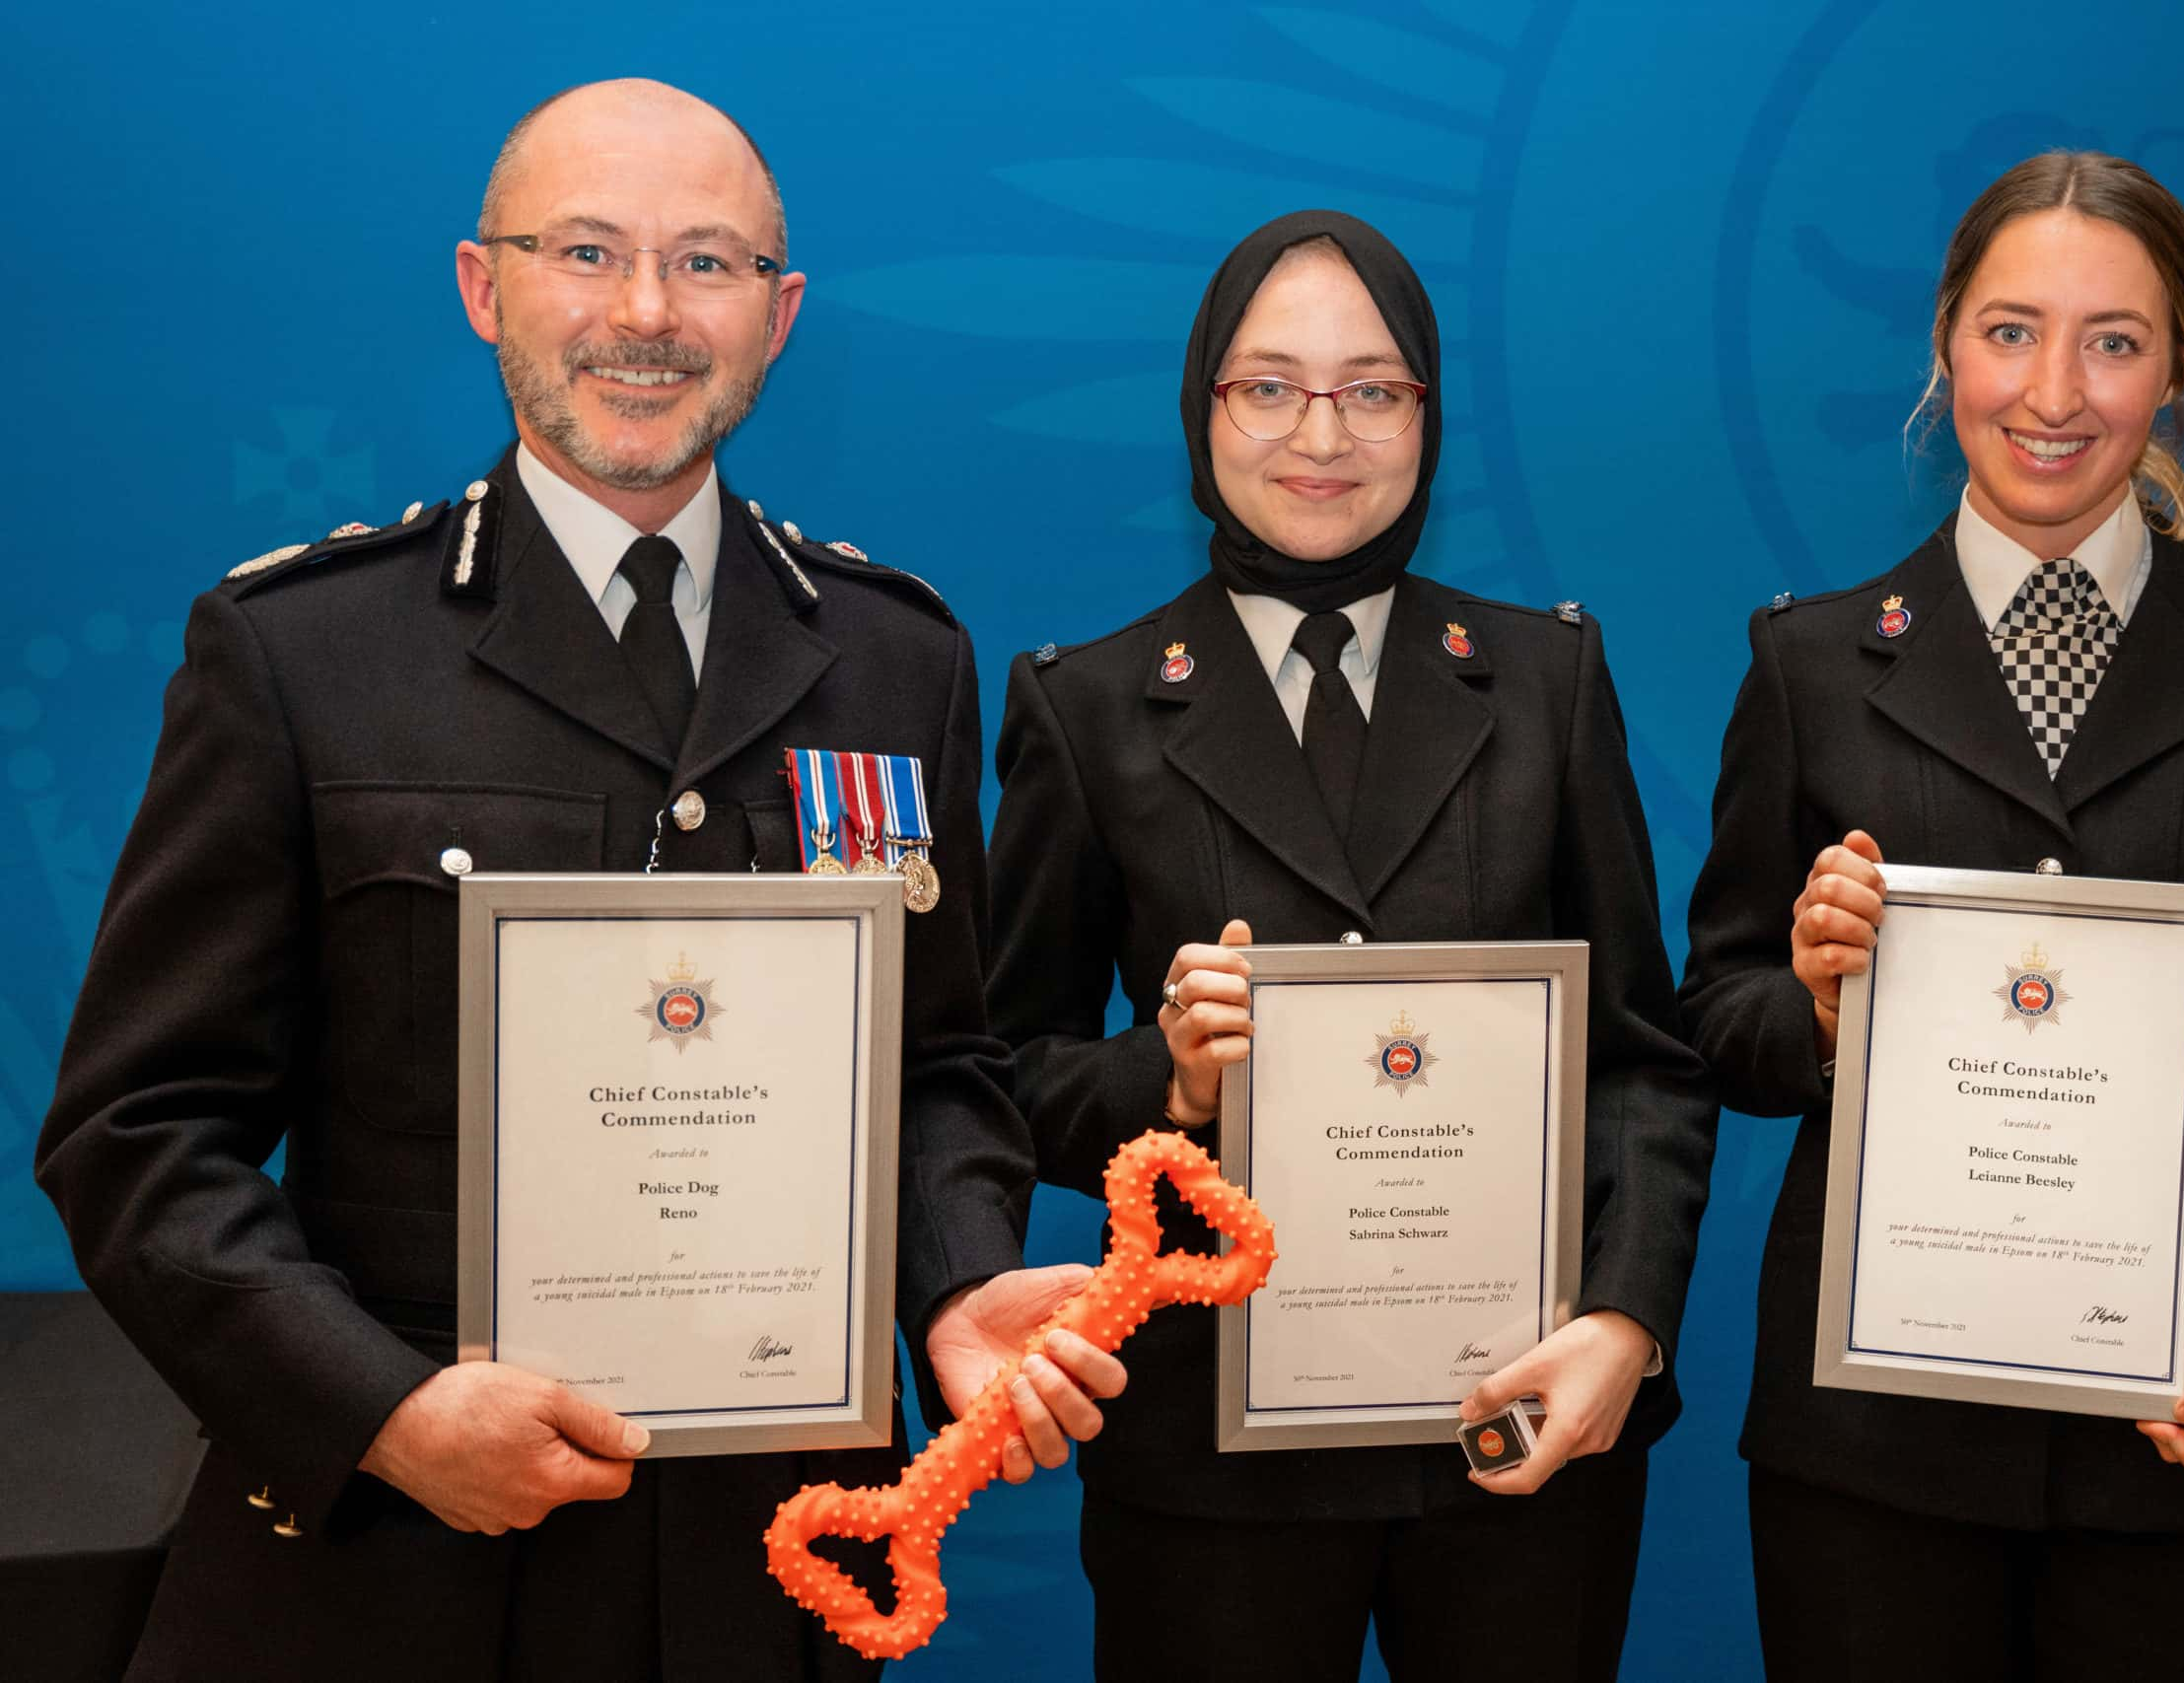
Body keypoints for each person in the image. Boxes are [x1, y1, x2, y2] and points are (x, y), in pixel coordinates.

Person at [35, 79, 1120, 1682]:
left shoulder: (900, 661)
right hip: (398, 1571)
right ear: (485, 286)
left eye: (706, 264)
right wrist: (382, 1411)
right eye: (588, 251)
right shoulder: (301, 654)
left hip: (773, 1564)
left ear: (779, 315)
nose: (645, 314)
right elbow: (136, 1137)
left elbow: (936, 1065)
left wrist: (956, 1282)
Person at [1677, 150, 2184, 1679]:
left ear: (2179, 373)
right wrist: (1819, 1003)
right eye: (2010, 329)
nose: (2055, 389)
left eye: (2115, 340)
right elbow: (1719, 1024)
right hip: (1878, 1460)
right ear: (1945, 349)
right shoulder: (1811, 663)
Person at [985, 208, 1718, 1682]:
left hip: (1519, 1414)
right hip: (1212, 1452)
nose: (1323, 432)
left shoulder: (1547, 679)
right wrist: (1171, 1079)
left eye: (1373, 389)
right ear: (1204, 407)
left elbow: (1645, 1061)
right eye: (1270, 386)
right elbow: (1005, 1077)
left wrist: (1627, 1323)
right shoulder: (1094, 702)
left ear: (1428, 416)